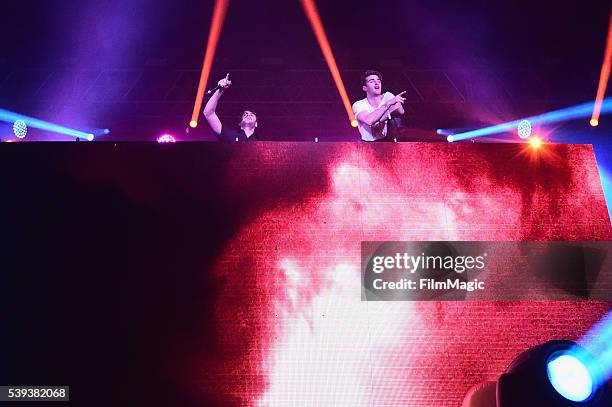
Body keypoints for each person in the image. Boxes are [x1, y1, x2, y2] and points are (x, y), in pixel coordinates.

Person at [352, 70, 406, 142]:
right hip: (367, 144)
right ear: (365, 88)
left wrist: (380, 120)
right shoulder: (358, 104)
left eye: (378, 80)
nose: (376, 82)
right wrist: (388, 104)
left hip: (385, 141)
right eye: (372, 81)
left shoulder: (387, 96)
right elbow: (368, 120)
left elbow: (400, 110)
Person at [203, 74, 258, 141]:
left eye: (251, 114)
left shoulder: (262, 141)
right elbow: (208, 113)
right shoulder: (230, 135)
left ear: (256, 124)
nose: (248, 115)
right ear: (240, 124)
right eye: (245, 114)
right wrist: (221, 89)